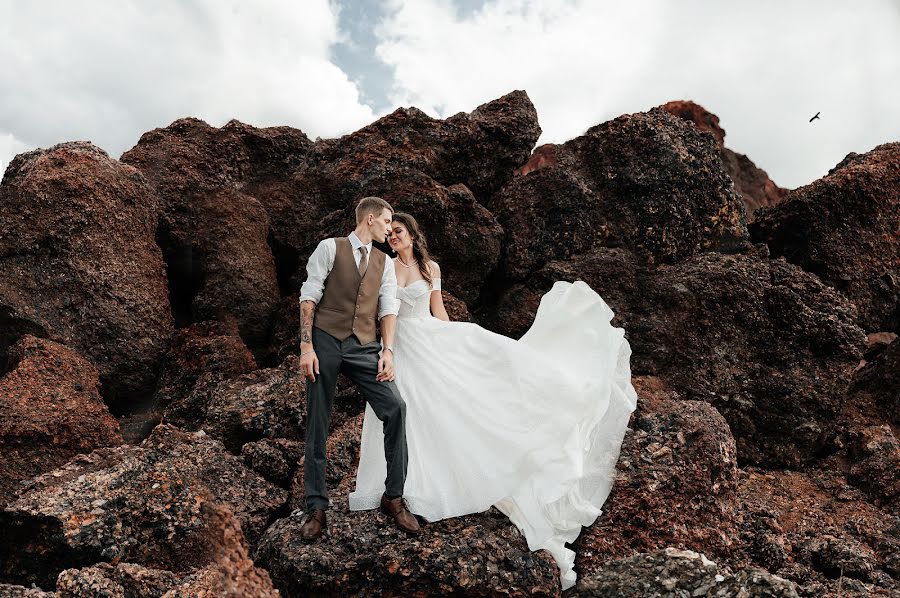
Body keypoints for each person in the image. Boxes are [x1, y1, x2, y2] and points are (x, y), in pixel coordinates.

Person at [348, 212, 638, 590]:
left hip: (430, 341)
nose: (393, 238)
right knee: (412, 413)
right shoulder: (384, 265)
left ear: (411, 234)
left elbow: (438, 312)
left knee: (456, 405)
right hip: (402, 347)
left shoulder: (430, 267)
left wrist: (455, 343)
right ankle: (406, 486)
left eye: (398, 232)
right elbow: (380, 310)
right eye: (390, 234)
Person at [297, 197, 420, 541]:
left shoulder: (384, 261)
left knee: (395, 408)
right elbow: (309, 296)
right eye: (386, 221)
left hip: (365, 347)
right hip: (324, 342)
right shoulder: (329, 248)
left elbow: (387, 308)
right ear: (369, 219)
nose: (389, 228)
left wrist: (388, 351)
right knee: (318, 423)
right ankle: (316, 507)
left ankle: (393, 497)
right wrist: (306, 347)